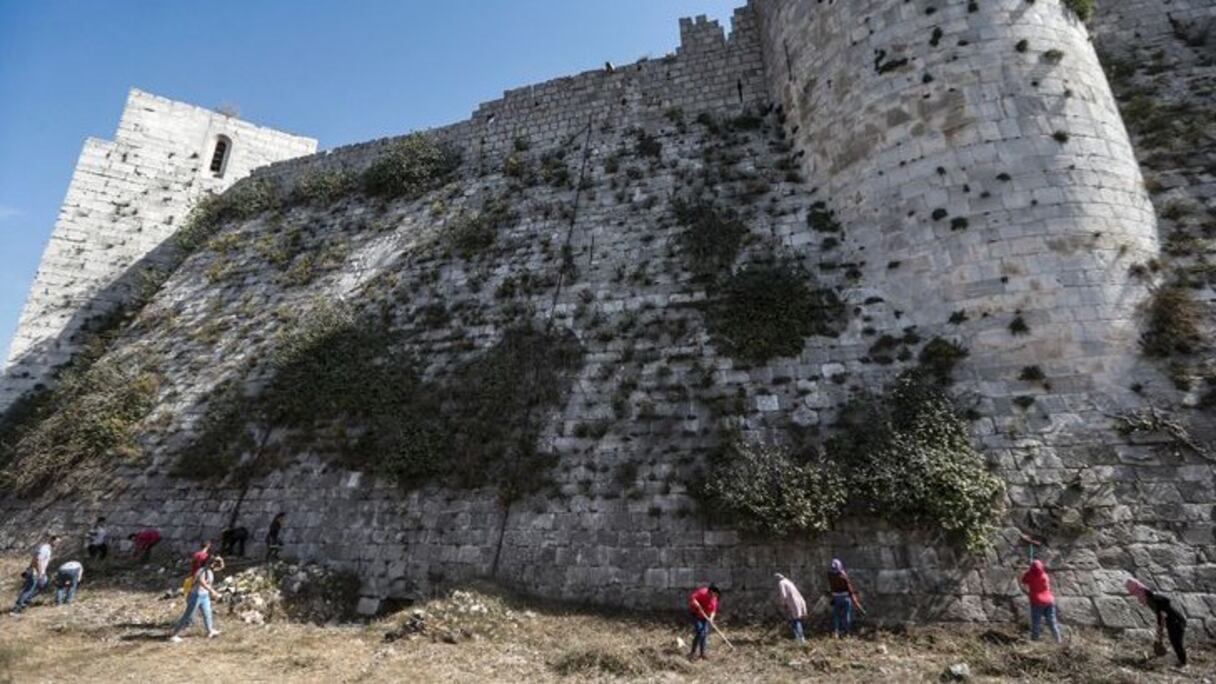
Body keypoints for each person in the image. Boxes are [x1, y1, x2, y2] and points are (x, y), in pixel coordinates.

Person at [1126, 578, 1187, 668]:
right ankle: (1181, 661)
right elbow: (1161, 615)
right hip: (1172, 621)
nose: (1138, 597)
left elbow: (1163, 609)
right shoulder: (1152, 600)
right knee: (1174, 641)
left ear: (1142, 592)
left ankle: (1183, 663)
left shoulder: (1154, 599)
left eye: (1138, 594)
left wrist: (1159, 631)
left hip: (1176, 621)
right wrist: (1159, 633)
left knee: (1176, 642)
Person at [169, 556, 225, 642]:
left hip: (204, 596)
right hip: (196, 596)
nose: (214, 564)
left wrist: (220, 560)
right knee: (188, 616)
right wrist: (212, 591)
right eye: (213, 562)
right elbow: (201, 581)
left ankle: (210, 631)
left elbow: (221, 567)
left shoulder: (210, 570)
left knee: (207, 614)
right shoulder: (201, 571)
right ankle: (174, 635)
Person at [11, 534, 60, 614]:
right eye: (56, 542)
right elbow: (38, 560)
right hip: (36, 572)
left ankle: (25, 601)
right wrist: (40, 573)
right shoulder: (45, 548)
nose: (57, 544)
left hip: (38, 572)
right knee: (28, 589)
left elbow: (35, 559)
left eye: (58, 543)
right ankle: (17, 608)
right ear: (51, 540)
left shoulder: (47, 549)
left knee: (42, 586)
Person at [1019, 559, 1062, 643]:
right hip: (1049, 600)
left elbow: (1024, 580)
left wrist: (1027, 571)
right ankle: (1058, 640)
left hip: (1037, 601)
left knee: (1036, 622)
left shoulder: (1030, 576)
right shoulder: (1044, 576)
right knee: (1052, 622)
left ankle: (1035, 640)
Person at [826, 559, 863, 638]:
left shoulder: (830, 575)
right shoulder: (843, 576)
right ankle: (846, 632)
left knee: (836, 615)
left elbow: (831, 587)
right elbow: (849, 589)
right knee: (846, 616)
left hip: (836, 597)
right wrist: (855, 601)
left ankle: (836, 631)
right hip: (845, 597)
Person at [687, 584, 720, 660]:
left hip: (705, 617)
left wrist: (711, 618)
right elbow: (692, 597)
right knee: (700, 632)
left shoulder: (714, 598)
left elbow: (713, 611)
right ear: (710, 592)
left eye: (716, 595)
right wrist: (696, 603)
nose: (715, 596)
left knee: (704, 633)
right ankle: (692, 653)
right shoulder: (702, 592)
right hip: (696, 614)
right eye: (714, 594)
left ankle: (702, 654)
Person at [775, 573, 808, 642]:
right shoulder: (788, 582)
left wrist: (783, 604)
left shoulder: (781, 583)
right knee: (796, 620)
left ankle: (800, 638)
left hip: (793, 603)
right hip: (798, 602)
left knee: (795, 621)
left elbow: (783, 595)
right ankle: (799, 638)